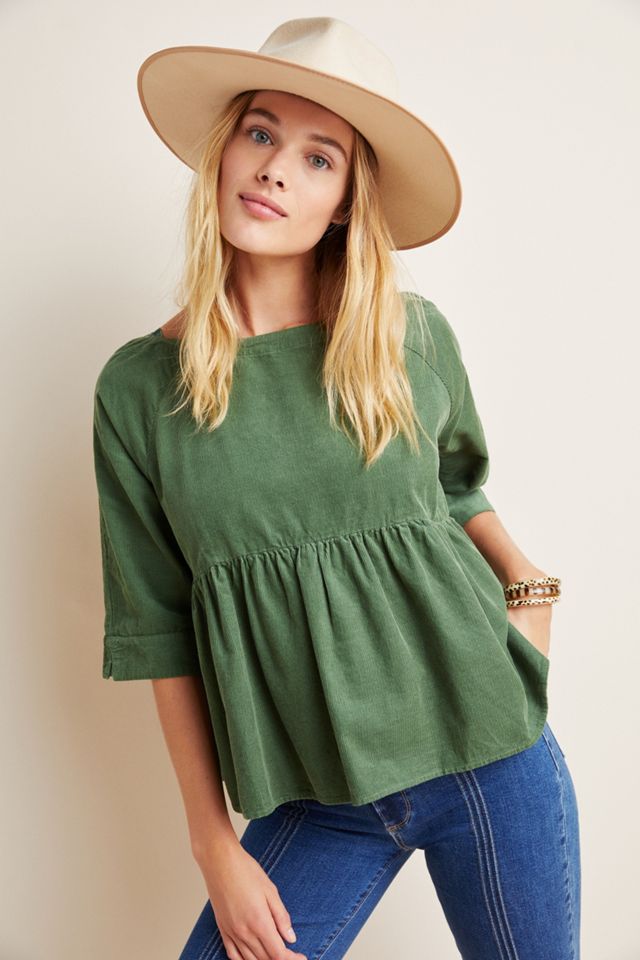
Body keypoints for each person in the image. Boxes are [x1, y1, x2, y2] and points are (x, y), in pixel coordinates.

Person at [91, 16, 581, 960]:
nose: (276, 171)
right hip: (317, 795)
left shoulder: (409, 336)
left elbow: (455, 489)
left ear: (347, 203)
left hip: (492, 756)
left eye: (319, 158)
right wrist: (213, 844)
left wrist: (532, 591)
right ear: (224, 150)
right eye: (261, 133)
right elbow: (158, 625)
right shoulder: (140, 390)